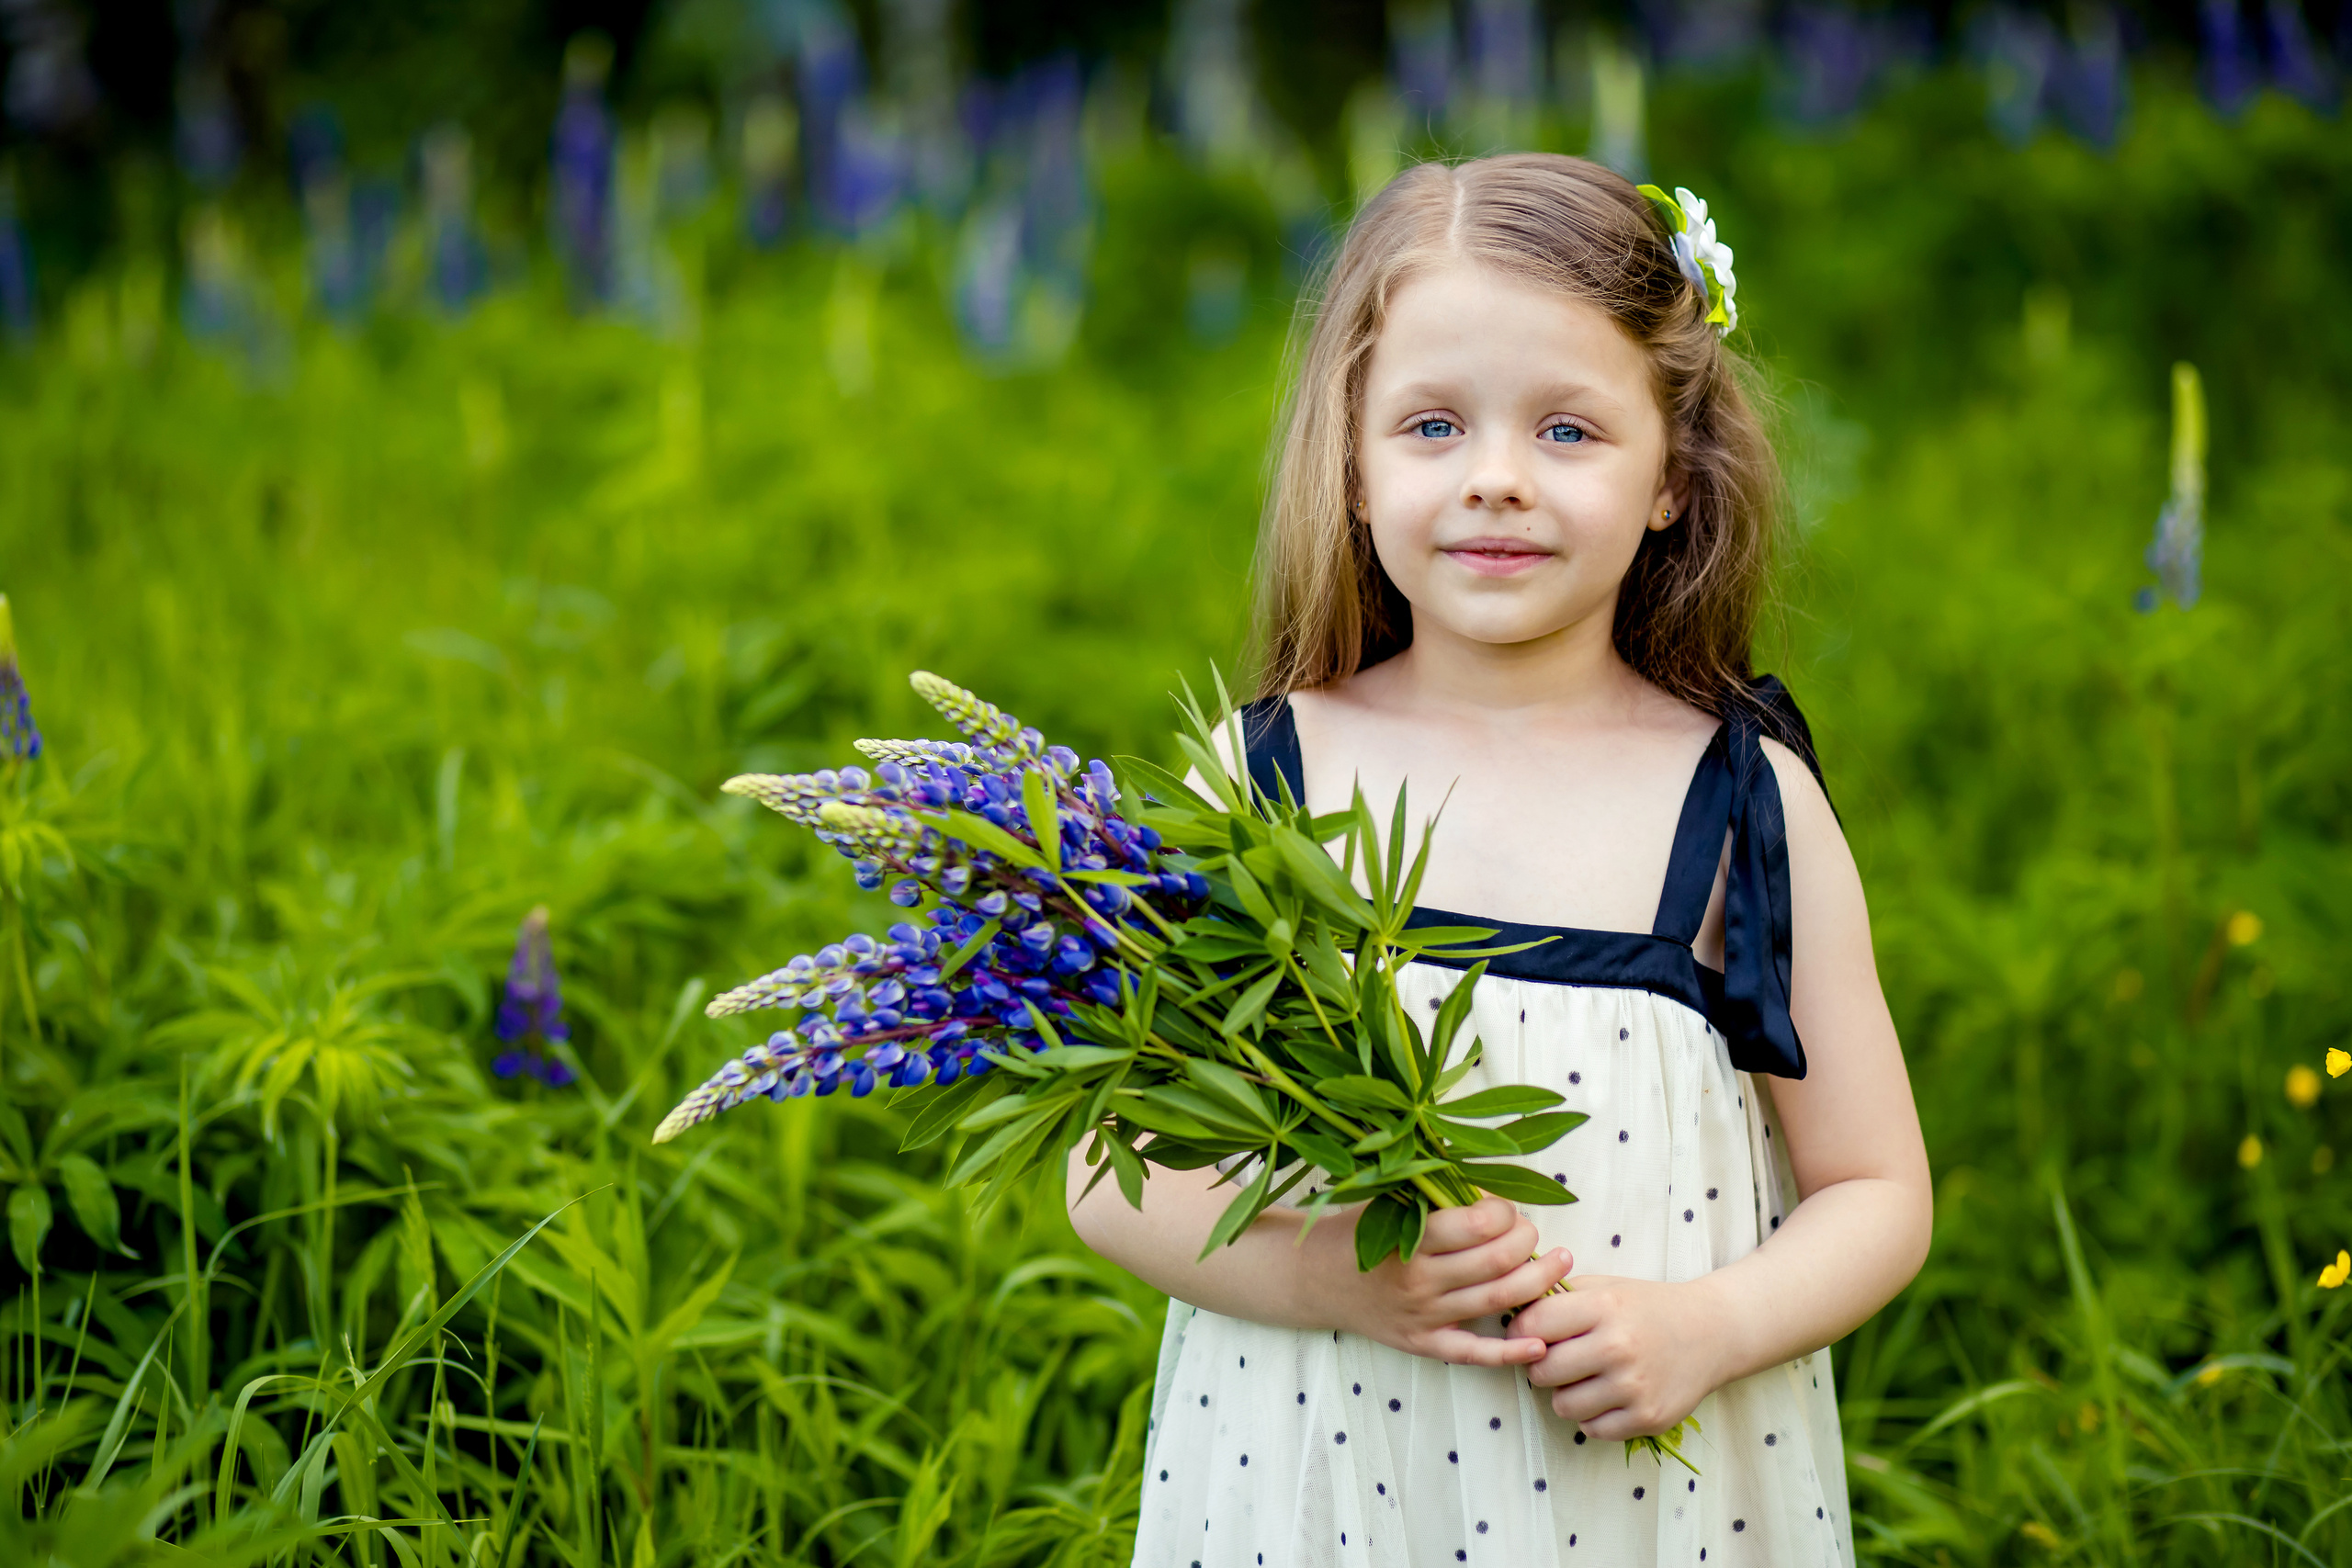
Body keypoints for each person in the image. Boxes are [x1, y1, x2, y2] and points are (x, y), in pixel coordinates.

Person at [1066, 152, 1931, 1567]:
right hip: (1323, 1477)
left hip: (1642, 1500)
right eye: (1432, 425)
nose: (1496, 481)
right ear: (1350, 460)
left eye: (1570, 432)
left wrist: (1702, 1328)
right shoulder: (1267, 779)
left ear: (1672, 474)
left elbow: (1877, 1191)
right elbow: (1113, 1178)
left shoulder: (1741, 804)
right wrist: (1338, 1280)